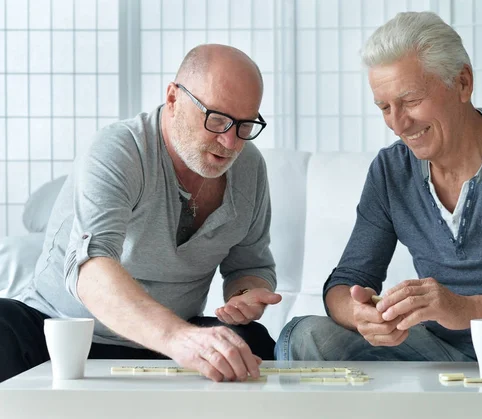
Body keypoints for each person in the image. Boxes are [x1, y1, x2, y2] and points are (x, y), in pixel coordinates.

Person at [275, 11, 482, 418]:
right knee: (302, 336)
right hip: (433, 356)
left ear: (462, 82)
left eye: (410, 101)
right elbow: (345, 283)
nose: (398, 123)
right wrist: (360, 315)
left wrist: (465, 309)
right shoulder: (391, 171)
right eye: (384, 107)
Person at [0, 44, 282, 383]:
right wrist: (179, 338)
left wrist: (244, 295)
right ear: (174, 98)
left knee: (252, 343)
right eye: (217, 119)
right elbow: (91, 269)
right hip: (65, 330)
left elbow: (249, 265)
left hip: (171, 341)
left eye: (245, 125)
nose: (232, 143)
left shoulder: (249, 167)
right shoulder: (121, 149)